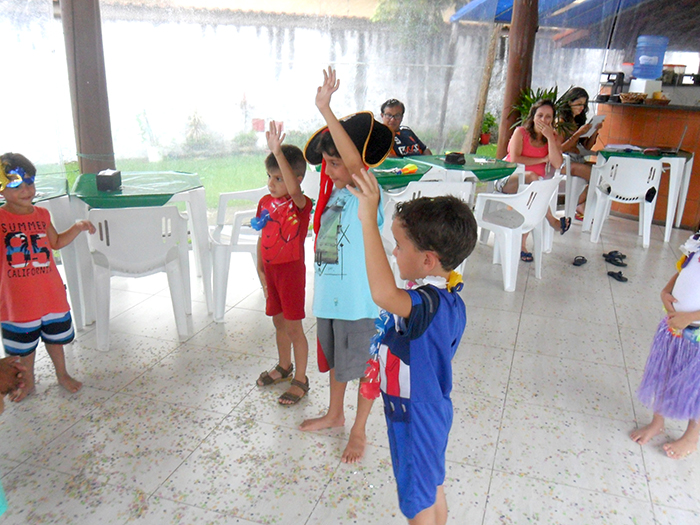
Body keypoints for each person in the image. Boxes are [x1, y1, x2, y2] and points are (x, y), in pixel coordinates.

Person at [348, 167, 477, 524]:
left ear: (427, 260)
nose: (394, 251)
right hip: (430, 411)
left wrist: (368, 221)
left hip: (415, 417)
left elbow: (383, 293)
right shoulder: (446, 297)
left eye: (399, 245)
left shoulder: (424, 305)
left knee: (418, 498)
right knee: (431, 485)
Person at [301, 67, 393, 463]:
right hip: (333, 300)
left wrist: (326, 110)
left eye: (335, 163)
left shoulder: (365, 189)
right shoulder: (336, 193)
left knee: (366, 367)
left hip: (360, 303)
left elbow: (354, 166)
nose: (329, 170)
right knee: (338, 362)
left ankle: (359, 429)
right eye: (326, 163)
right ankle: (336, 414)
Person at [0, 152, 95, 402]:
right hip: (17, 302)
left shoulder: (42, 215)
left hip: (50, 295)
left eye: (29, 183)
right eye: (16, 186)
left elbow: (56, 242)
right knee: (23, 350)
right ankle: (27, 381)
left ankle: (62, 374)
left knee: (56, 340)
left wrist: (77, 227)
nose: (26, 190)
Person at [253, 122, 313, 405]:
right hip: (271, 272)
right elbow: (262, 235)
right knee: (278, 322)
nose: (271, 183)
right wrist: (260, 269)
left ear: (296, 178)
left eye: (278, 178)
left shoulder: (300, 204)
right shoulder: (265, 202)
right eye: (269, 176)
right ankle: (284, 365)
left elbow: (295, 192)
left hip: (290, 275)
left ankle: (301, 378)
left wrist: (278, 152)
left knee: (293, 327)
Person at [631, 229, 700, 459]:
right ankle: (657, 421)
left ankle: (692, 436)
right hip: (674, 325)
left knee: (696, 386)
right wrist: (666, 291)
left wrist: (690, 317)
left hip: (695, 330)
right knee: (665, 372)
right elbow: (685, 268)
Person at [496, 99, 568, 261]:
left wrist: (550, 139)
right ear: (533, 117)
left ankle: (522, 245)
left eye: (548, 117)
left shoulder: (553, 137)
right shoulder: (521, 133)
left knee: (533, 194)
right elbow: (515, 159)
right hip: (509, 179)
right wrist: (542, 160)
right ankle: (551, 219)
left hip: (533, 189)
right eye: (540, 115)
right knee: (533, 180)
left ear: (552, 120)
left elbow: (557, 164)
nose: (543, 120)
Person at [558, 87, 603, 219]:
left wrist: (594, 130)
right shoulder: (561, 122)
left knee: (603, 172)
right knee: (596, 176)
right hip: (564, 161)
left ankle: (580, 202)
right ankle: (577, 203)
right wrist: (577, 134)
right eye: (578, 104)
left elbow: (586, 146)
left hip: (577, 158)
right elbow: (560, 149)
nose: (581, 108)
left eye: (584, 104)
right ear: (569, 103)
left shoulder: (577, 120)